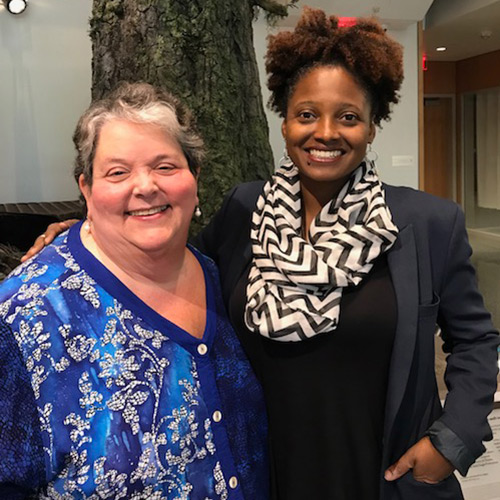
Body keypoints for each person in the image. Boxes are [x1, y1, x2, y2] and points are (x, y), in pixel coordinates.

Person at [23, 8, 500, 500]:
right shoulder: (244, 210)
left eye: (349, 117)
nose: (326, 133)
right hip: (267, 470)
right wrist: (86, 234)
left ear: (372, 126)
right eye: (307, 114)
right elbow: (169, 268)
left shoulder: (426, 223)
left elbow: (476, 340)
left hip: (384, 473)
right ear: (286, 121)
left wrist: (453, 439)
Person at [0, 82, 268, 499]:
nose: (145, 186)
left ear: (194, 178)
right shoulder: (26, 316)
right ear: (87, 189)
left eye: (165, 166)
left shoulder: (223, 276)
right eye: (118, 172)